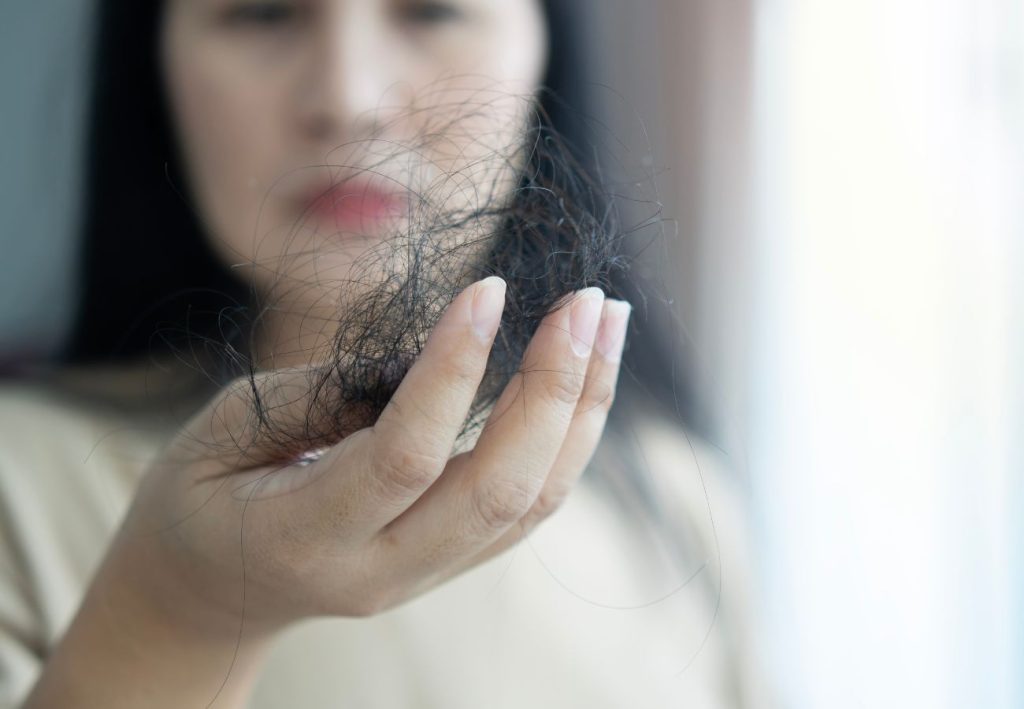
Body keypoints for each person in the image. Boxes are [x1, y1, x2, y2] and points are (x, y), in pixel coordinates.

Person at [0, 0, 770, 706]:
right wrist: (176, 614)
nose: (348, 99)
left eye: (432, 9)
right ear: (153, 62)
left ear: (543, 45)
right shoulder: (18, 485)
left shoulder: (677, 504)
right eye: (263, 13)